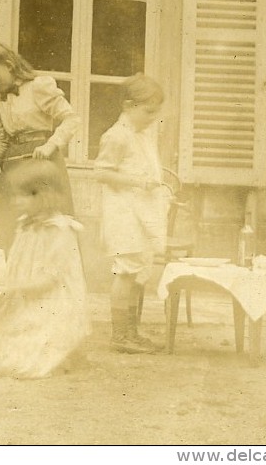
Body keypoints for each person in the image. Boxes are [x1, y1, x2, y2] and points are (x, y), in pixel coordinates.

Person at [0, 158, 90, 379]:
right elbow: (16, 269)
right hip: (23, 296)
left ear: (46, 195)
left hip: (50, 304)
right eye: (15, 196)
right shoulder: (25, 226)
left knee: (17, 362)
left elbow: (48, 281)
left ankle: (62, 355)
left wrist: (11, 290)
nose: (17, 201)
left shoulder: (59, 230)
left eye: (26, 195)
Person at [0, 42, 79, 255]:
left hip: (42, 165)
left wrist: (51, 145)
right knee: (12, 234)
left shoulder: (38, 87)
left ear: (9, 65)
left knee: (48, 233)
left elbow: (71, 119)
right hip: (13, 170)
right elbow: (3, 143)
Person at [93, 73, 169, 354]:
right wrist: (139, 182)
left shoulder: (142, 135)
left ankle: (131, 333)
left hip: (141, 211)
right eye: (148, 111)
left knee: (138, 271)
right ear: (128, 105)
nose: (152, 118)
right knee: (125, 272)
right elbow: (101, 172)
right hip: (123, 212)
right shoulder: (116, 136)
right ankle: (120, 335)